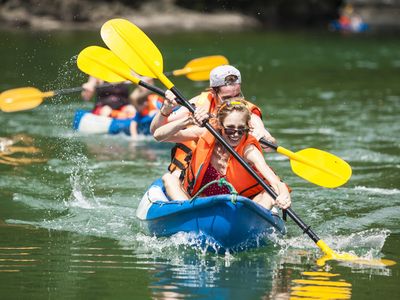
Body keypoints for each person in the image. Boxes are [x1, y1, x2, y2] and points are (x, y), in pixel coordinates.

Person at [151, 65, 276, 195]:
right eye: (227, 98)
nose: (233, 102)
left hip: (232, 170)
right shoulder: (197, 105)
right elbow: (157, 131)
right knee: (174, 176)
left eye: (238, 96)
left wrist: (264, 138)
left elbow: (267, 139)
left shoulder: (245, 111)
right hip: (196, 160)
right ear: (213, 92)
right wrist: (166, 110)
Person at [154, 98, 291, 210]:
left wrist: (284, 195)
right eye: (230, 129)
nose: (236, 135)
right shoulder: (205, 133)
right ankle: (188, 214)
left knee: (269, 193)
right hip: (200, 203)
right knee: (169, 178)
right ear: (219, 125)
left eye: (241, 130)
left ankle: (251, 223)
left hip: (240, 207)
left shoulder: (249, 149)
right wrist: (188, 121)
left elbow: (274, 180)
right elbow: (158, 135)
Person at [81, 76, 163, 137]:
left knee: (132, 109)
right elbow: (86, 98)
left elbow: (143, 89)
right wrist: (87, 90)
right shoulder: (97, 73)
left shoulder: (126, 70)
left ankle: (135, 129)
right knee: (106, 110)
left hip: (123, 106)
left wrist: (145, 82)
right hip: (104, 106)